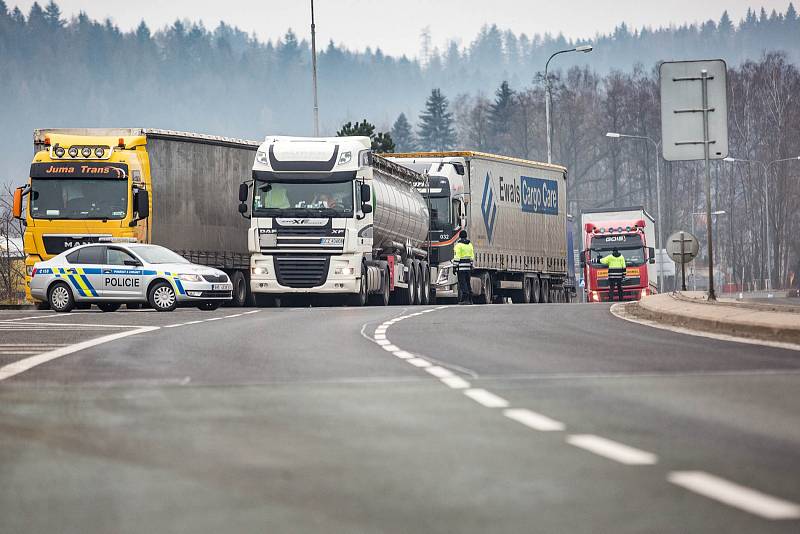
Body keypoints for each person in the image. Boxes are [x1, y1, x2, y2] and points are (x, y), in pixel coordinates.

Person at [453, 230, 475, 304]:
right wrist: (471, 265)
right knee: (468, 283)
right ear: (466, 236)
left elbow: (457, 257)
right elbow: (472, 257)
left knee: (463, 284)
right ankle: (470, 299)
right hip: (468, 268)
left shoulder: (458, 245)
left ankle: (465, 300)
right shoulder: (470, 245)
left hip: (461, 268)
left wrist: (454, 267)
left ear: (460, 236)